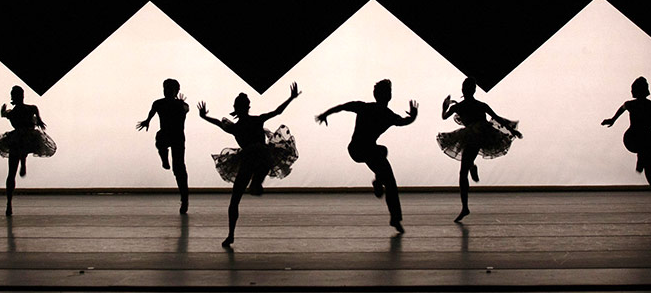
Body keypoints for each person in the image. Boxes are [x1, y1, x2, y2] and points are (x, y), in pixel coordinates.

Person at [198, 82, 301, 247]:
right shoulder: (254, 121)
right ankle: (256, 183)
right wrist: (291, 98)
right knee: (239, 194)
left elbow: (219, 122)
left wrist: (204, 117)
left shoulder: (237, 127)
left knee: (235, 200)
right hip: (259, 157)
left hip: (254, 157)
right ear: (248, 107)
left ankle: (231, 233)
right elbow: (277, 111)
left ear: (236, 108)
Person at [316, 79, 417, 234]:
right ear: (388, 96)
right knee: (389, 180)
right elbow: (403, 122)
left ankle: (379, 183)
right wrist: (413, 117)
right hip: (362, 150)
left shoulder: (368, 108)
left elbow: (342, 107)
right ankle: (392, 212)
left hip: (359, 150)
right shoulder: (383, 113)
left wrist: (325, 114)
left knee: (383, 151)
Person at [438, 77, 522, 223]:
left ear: (463, 90)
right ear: (473, 90)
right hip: (478, 136)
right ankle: (471, 167)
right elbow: (497, 119)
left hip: (475, 137)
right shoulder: (478, 105)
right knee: (465, 165)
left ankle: (465, 206)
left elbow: (444, 117)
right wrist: (512, 131)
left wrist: (444, 107)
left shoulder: (461, 106)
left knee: (463, 172)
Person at [602, 76, 651, 220]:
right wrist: (612, 119)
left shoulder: (642, 105)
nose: (631, 91)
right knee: (650, 171)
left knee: (650, 173)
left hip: (641, 140)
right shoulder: (645, 105)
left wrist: (613, 119)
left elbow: (623, 108)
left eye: (633, 89)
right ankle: (641, 160)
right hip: (636, 139)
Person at [0, 85, 56, 216]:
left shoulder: (14, 113)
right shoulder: (29, 109)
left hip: (20, 139)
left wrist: (3, 112)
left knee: (12, 172)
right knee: (19, 156)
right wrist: (38, 121)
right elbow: (37, 120)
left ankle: (9, 203)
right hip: (25, 139)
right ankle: (23, 162)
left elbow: (5, 114)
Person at [137, 79, 191, 214]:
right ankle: (164, 158)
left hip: (177, 137)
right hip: (167, 134)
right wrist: (147, 120)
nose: (166, 91)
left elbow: (185, 109)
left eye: (169, 89)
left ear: (176, 91)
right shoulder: (159, 103)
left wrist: (181, 104)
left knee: (179, 169)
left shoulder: (181, 105)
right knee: (160, 140)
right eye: (165, 88)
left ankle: (184, 199)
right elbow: (152, 111)